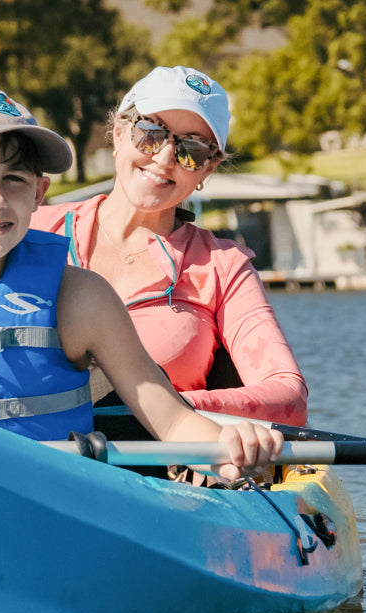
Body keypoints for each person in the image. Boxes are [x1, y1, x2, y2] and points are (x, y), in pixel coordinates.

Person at [0, 88, 282, 481]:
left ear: (38, 194)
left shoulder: (84, 301)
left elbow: (173, 423)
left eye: (14, 180)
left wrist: (227, 447)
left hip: (52, 503)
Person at [31, 65, 308, 425]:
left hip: (158, 465)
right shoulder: (34, 228)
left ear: (207, 170)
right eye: (150, 133)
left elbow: (287, 395)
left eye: (191, 149)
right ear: (118, 134)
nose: (164, 158)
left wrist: (164, 409)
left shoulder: (223, 266)